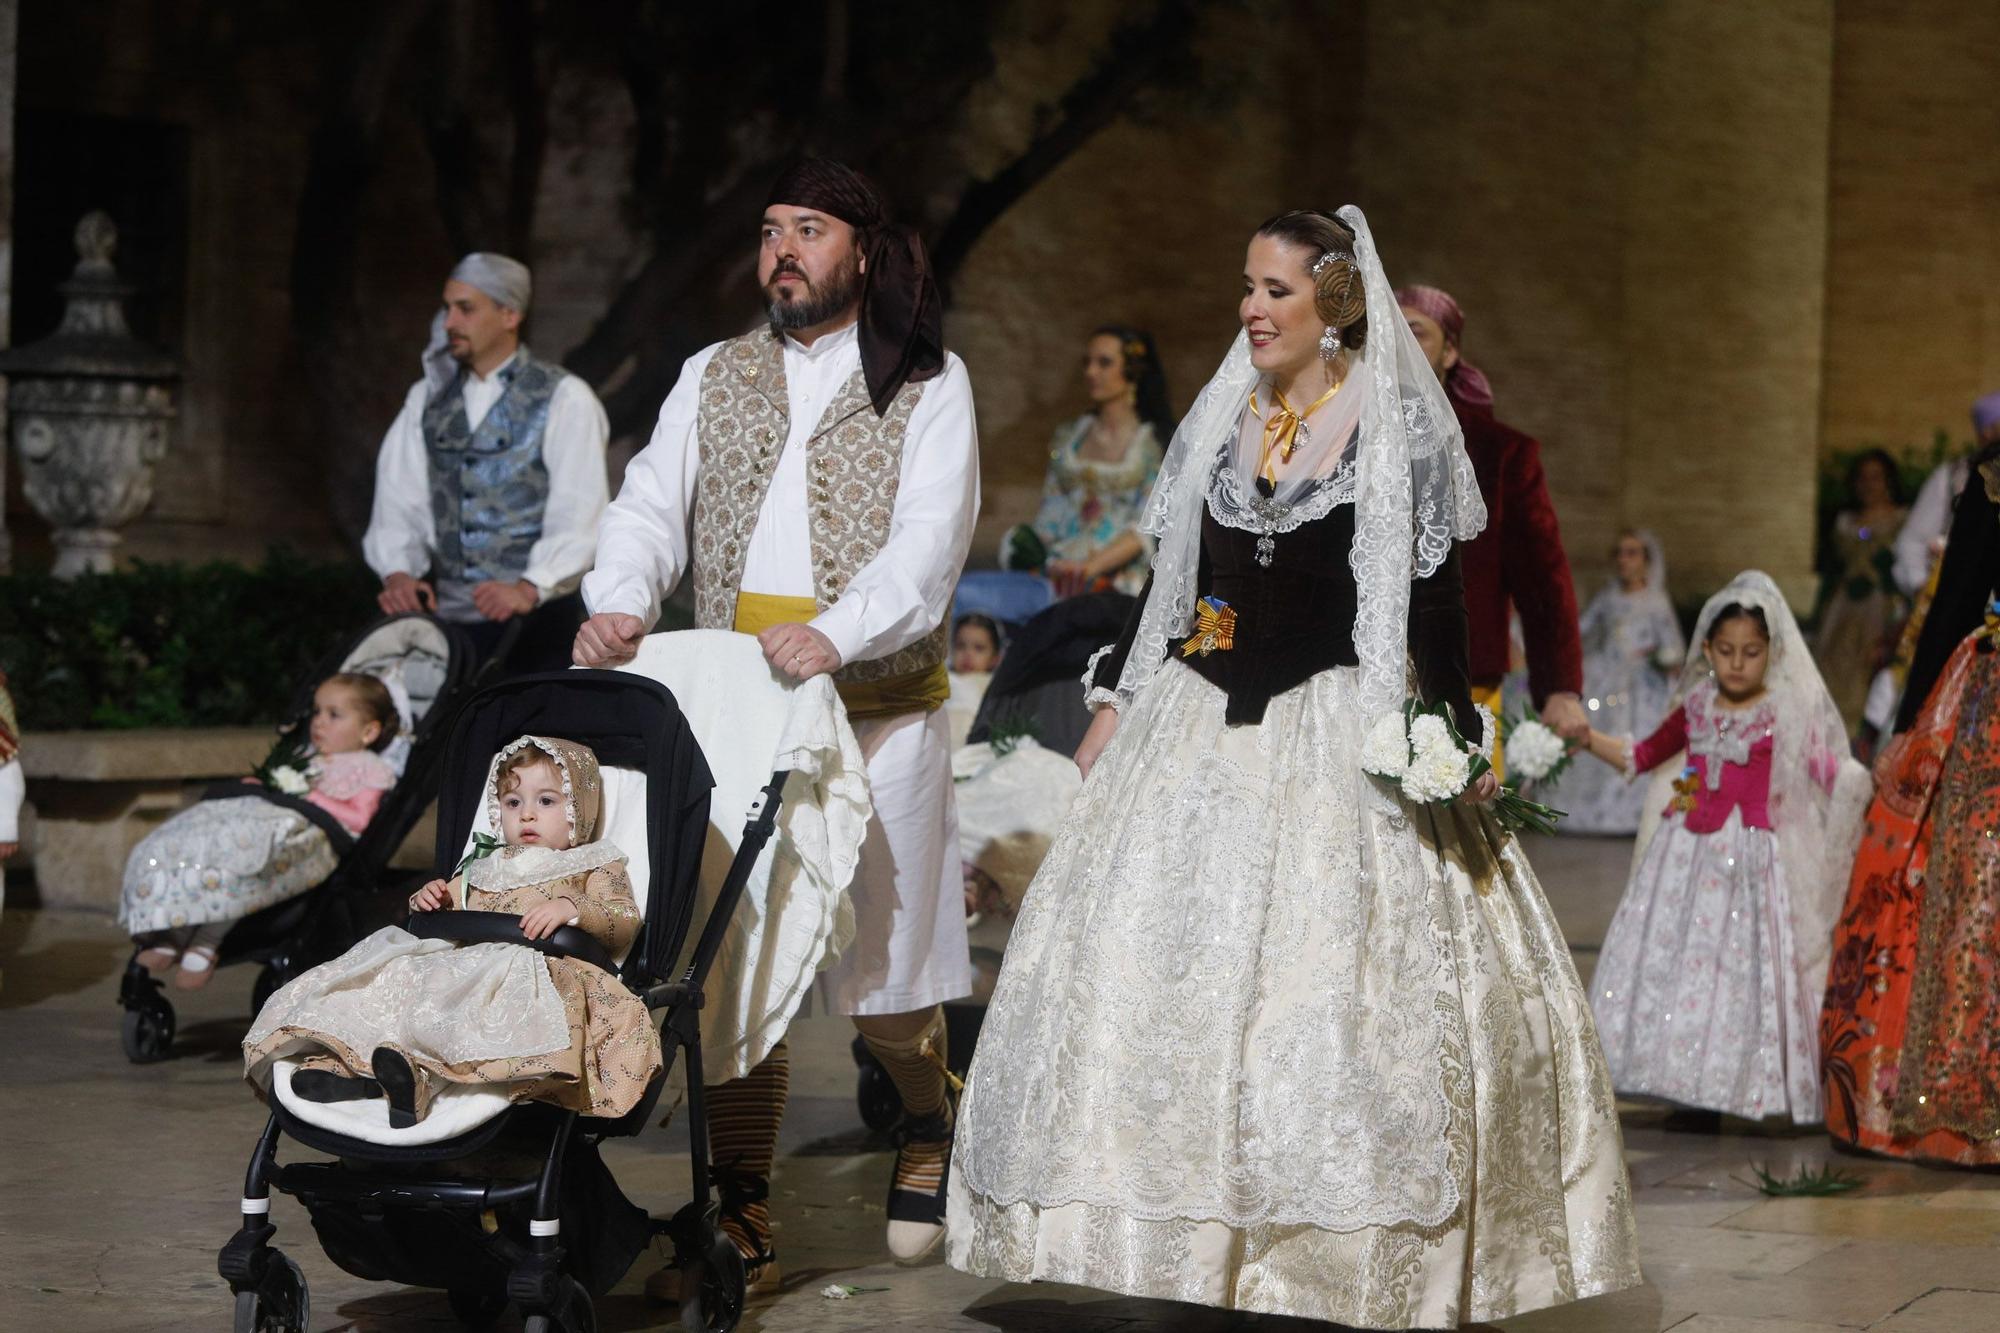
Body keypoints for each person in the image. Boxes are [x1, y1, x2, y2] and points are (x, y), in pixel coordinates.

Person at [947, 208, 1640, 1329]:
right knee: (1160, 979)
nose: (1250, 310)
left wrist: (1447, 736)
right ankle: (1170, 1239)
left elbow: (1429, 602)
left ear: (1333, 306)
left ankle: (1314, 1251)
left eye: (1273, 290)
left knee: (1324, 994)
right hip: (1201, 723)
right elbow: (1180, 590)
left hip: (1336, 726)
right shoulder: (1225, 413)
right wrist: (1119, 704)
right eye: (1246, 288)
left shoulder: (1391, 422)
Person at [574, 158, 978, 1279]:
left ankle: (926, 1117)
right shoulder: (714, 373)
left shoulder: (926, 381)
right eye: (768, 231)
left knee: (885, 984)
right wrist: (617, 600)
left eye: (807, 229)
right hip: (745, 710)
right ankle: (741, 1204)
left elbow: (930, 543)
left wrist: (839, 632)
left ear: (858, 248)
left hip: (879, 707)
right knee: (734, 961)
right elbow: (651, 503)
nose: (782, 251)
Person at [244, 736, 659, 1127]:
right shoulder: (484, 865)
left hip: (533, 968)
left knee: (473, 1016)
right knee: (399, 981)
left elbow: (622, 919)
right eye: (513, 802)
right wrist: (431, 898)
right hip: (463, 964)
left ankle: (413, 1081)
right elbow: (450, 905)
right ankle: (354, 1068)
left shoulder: (593, 863)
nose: (527, 814)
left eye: (546, 801)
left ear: (576, 814)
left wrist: (572, 906)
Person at [1574, 573, 1869, 1123]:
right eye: (1726, 651)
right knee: (1676, 962)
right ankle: (1680, 1080)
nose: (1737, 663)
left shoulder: (1783, 713)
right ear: (1707, 649)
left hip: (1752, 862)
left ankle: (1739, 1085)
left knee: (1742, 974)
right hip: (1681, 856)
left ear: (1772, 652)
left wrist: (1868, 789)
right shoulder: (1696, 707)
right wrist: (1584, 737)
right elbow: (1641, 756)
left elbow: (1828, 773)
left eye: (1751, 652)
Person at [363, 252, 611, 673]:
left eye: (466, 308)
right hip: (446, 624)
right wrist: (399, 573)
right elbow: (398, 496)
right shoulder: (426, 399)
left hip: (537, 629)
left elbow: (581, 510)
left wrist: (530, 586)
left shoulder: (565, 397)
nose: (449, 323)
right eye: (447, 308)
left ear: (509, 314)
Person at [1397, 284, 1588, 757]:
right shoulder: (1343, 434)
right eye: (1391, 332)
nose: (1401, 344)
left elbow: (1543, 577)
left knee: (1465, 822)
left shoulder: (1500, 453)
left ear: (1451, 351)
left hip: (1467, 678)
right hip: (1360, 672)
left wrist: (1560, 686)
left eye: (1416, 333)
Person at [121, 673, 402, 989]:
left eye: (333, 715)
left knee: (246, 858)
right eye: (317, 712)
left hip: (304, 838)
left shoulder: (371, 769)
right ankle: (176, 928)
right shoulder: (305, 758)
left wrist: (308, 797)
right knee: (211, 844)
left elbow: (359, 819)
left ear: (369, 731)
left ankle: (207, 938)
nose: (319, 723)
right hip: (269, 818)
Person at [998, 326, 1172, 598]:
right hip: (1060, 567)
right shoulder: (1070, 437)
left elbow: (1145, 526)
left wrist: (1090, 567)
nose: (1091, 372)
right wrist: (1041, 555)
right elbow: (1051, 509)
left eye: (1104, 363)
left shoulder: (1152, 446)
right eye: (1087, 363)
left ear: (1133, 370)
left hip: (1116, 576)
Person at [1551, 530, 1685, 834]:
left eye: (1632, 553)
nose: (1624, 560)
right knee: (1596, 732)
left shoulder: (1655, 600)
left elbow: (1673, 645)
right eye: (1620, 553)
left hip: (1642, 687)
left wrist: (1660, 657)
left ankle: (1634, 813)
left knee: (1636, 737)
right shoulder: (1608, 597)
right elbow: (1582, 628)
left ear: (1646, 561)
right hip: (1606, 680)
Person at [1814, 449, 1907, 732]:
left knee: (1871, 667)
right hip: (1843, 609)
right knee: (1834, 666)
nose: (1869, 485)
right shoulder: (1844, 523)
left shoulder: (1902, 519)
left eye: (1876, 477)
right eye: (1863, 478)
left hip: (1881, 607)